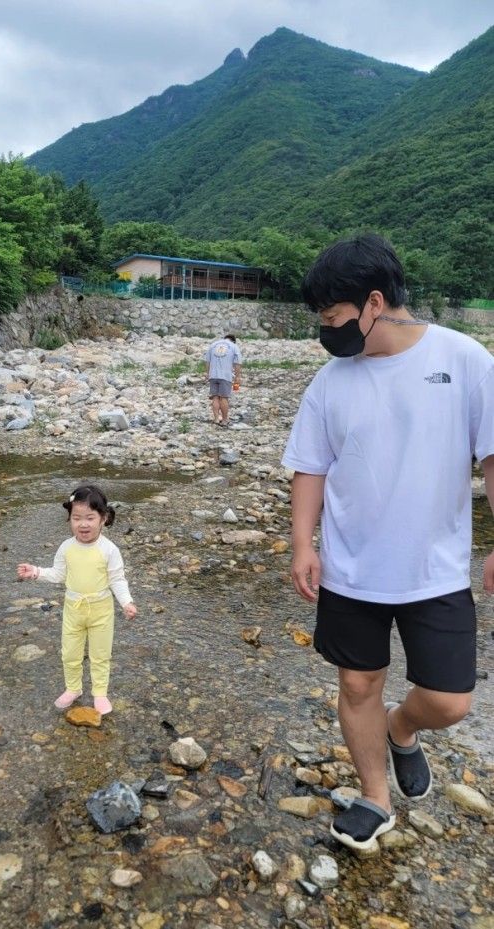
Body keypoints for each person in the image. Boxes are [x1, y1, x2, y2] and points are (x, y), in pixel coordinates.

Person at [282, 233, 494, 851]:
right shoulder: (329, 382)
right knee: (357, 685)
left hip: (436, 569)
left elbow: (491, 460)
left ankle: (403, 730)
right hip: (352, 569)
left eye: (333, 319)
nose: (328, 333)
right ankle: (376, 799)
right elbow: (309, 467)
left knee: (450, 701)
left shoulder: (464, 359)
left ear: (374, 302)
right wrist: (303, 543)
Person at [17, 484, 137, 715]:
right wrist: (36, 572)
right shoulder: (66, 548)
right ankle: (73, 688)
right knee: (69, 652)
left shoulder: (109, 549)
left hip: (101, 609)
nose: (83, 524)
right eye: (76, 518)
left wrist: (126, 602)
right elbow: (58, 574)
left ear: (103, 518)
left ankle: (100, 693)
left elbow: (117, 580)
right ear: (70, 519)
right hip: (73, 608)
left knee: (100, 654)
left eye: (90, 518)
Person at [203, 334, 242, 427]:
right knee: (224, 398)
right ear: (233, 341)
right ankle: (224, 420)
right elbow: (237, 363)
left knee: (215, 397)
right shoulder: (234, 346)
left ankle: (216, 419)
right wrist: (237, 376)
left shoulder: (213, 345)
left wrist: (207, 373)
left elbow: (207, 361)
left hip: (213, 375)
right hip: (225, 376)